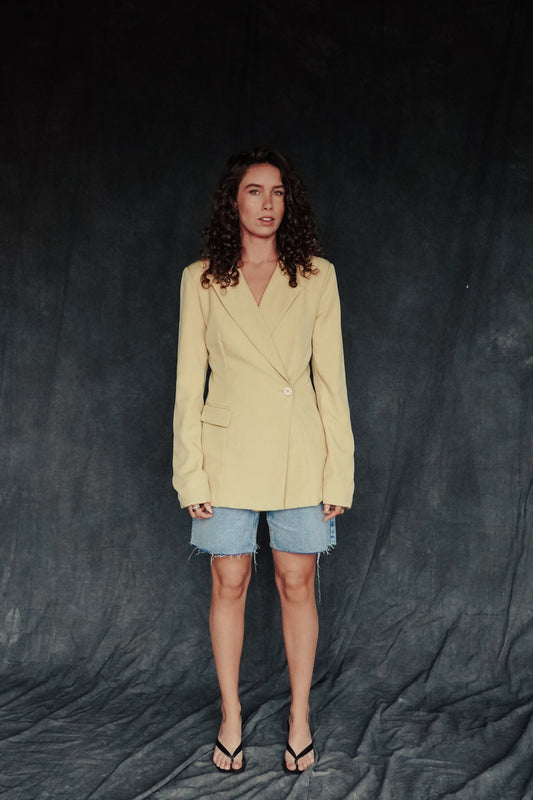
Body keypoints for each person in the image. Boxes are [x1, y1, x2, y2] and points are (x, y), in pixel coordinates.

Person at [172, 147, 354, 775]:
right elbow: (186, 385)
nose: (268, 204)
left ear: (288, 203)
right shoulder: (200, 278)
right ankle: (231, 715)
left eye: (278, 192)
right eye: (254, 191)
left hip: (298, 451)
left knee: (296, 582)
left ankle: (300, 714)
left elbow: (331, 381)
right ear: (234, 201)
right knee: (230, 582)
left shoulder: (317, 276)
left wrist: (339, 472)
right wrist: (189, 471)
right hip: (224, 454)